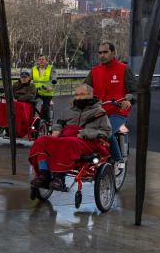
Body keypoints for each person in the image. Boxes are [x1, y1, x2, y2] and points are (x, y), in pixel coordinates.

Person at [29, 84, 111, 190]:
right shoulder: (68, 110)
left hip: (87, 141)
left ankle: (59, 178)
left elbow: (106, 132)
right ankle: (44, 174)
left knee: (69, 142)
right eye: (76, 95)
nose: (78, 97)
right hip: (66, 138)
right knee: (42, 141)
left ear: (90, 95)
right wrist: (57, 130)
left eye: (82, 94)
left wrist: (85, 133)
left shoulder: (99, 112)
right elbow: (59, 123)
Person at [84, 42, 137, 174]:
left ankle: (118, 160)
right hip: (98, 111)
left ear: (113, 53)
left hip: (118, 111)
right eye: (100, 53)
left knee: (106, 131)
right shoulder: (94, 71)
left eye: (105, 52)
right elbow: (85, 89)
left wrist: (129, 100)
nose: (102, 55)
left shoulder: (124, 69)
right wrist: (79, 97)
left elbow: (136, 91)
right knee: (82, 130)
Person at [0, 70, 37, 137]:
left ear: (29, 78)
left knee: (17, 106)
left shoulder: (32, 86)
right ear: (20, 77)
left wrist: (18, 99)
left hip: (26, 102)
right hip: (14, 100)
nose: (24, 78)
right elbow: (10, 91)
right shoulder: (15, 84)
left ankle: (16, 129)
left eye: (25, 77)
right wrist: (6, 95)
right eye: (22, 77)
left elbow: (31, 95)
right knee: (2, 105)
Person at [32, 54, 56, 123]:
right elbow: (29, 78)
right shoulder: (34, 69)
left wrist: (50, 86)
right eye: (39, 59)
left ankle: (47, 123)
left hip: (47, 92)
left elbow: (53, 78)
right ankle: (31, 118)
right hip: (36, 91)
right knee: (30, 104)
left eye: (43, 59)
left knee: (45, 108)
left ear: (46, 61)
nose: (41, 61)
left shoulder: (51, 68)